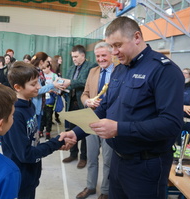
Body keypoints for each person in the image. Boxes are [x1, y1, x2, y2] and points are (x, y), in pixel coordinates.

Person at [59, 16, 184, 199]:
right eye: (111, 47)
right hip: (118, 162)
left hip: (146, 165)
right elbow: (106, 107)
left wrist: (118, 128)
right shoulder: (120, 69)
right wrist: (77, 133)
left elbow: (171, 124)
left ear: (137, 37)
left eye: (118, 45)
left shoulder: (164, 71)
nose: (114, 52)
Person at [1, 61, 66, 199]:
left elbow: (32, 141)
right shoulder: (15, 114)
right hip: (20, 177)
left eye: (38, 82)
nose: (39, 87)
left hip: (31, 173)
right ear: (17, 87)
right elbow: (26, 154)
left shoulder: (29, 105)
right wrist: (56, 143)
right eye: (33, 84)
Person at [76, 42, 114, 199]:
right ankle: (90, 186)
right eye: (98, 56)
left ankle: (105, 191)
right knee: (92, 157)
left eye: (104, 55)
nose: (101, 59)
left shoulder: (121, 72)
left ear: (111, 54)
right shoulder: (92, 71)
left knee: (108, 160)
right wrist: (88, 101)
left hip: (110, 122)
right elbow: (84, 93)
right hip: (92, 119)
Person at [62, 44, 97, 169]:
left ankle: (83, 157)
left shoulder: (91, 66)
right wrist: (62, 85)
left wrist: (70, 83)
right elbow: (68, 83)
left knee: (83, 131)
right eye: (72, 57)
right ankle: (73, 153)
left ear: (83, 55)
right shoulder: (71, 68)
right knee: (71, 130)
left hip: (82, 103)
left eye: (76, 56)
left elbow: (85, 82)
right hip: (71, 103)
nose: (74, 59)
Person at [30, 52, 65, 132]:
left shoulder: (40, 72)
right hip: (35, 106)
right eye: (47, 61)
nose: (48, 64)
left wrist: (52, 89)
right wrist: (52, 85)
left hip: (41, 104)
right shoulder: (34, 72)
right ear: (41, 62)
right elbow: (37, 90)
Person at [38, 61, 58, 140]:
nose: (43, 70)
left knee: (49, 116)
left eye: (45, 68)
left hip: (50, 99)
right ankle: (40, 131)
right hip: (42, 99)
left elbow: (57, 86)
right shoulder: (40, 75)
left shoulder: (54, 76)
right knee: (42, 116)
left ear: (49, 67)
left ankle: (48, 132)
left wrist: (52, 89)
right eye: (42, 69)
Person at [52, 55, 63, 124]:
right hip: (54, 89)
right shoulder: (54, 70)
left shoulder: (59, 68)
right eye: (60, 59)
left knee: (56, 104)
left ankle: (56, 117)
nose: (61, 60)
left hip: (58, 89)